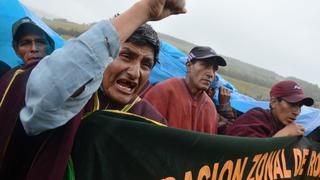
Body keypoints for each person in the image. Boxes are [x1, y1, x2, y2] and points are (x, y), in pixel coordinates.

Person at [0, 0, 186, 179]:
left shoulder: (150, 121)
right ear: (104, 56)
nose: (135, 73)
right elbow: (51, 90)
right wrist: (143, 10)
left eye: (146, 64)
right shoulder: (72, 96)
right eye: (126, 56)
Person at [144, 46, 235, 134]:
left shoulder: (210, 108)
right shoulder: (164, 91)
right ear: (189, 65)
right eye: (205, 65)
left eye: (214, 69)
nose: (211, 74)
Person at [225, 80, 314, 138]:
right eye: (292, 104)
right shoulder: (255, 118)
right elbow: (240, 154)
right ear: (273, 101)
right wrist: (284, 134)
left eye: (300, 106)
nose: (297, 112)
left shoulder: (288, 127)